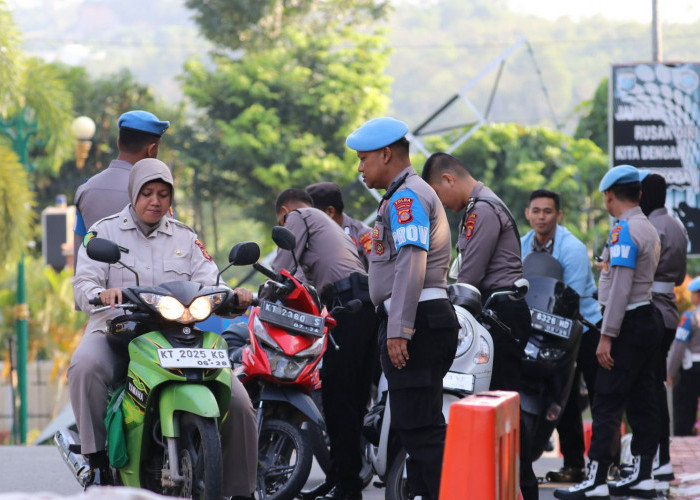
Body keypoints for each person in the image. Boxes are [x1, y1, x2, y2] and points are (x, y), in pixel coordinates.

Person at [69, 159, 258, 499]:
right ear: (133, 194)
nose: (155, 201)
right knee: (85, 365)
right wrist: (101, 293)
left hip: (179, 334)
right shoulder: (105, 232)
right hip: (119, 330)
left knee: (240, 400)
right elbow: (84, 282)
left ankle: (242, 490)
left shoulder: (185, 237)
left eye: (163, 194)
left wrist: (235, 295)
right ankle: (97, 462)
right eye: (147, 193)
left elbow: (210, 278)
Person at [346, 117, 459, 500]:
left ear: (386, 154)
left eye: (363, 159)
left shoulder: (407, 197)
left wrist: (399, 329)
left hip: (417, 322)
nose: (360, 167)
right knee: (420, 424)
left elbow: (413, 260)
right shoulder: (401, 195)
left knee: (418, 428)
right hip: (422, 319)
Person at [420, 152, 538, 500]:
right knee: (500, 406)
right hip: (500, 313)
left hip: (500, 315)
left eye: (438, 197)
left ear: (448, 180)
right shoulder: (482, 205)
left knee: (502, 406)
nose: (440, 206)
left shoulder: (481, 209)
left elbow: (469, 275)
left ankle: (523, 488)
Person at [555, 164, 662, 499]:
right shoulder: (648, 228)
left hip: (627, 321)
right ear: (640, 194)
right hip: (647, 317)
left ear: (609, 195)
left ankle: (597, 478)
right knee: (643, 398)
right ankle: (645, 474)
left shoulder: (623, 231)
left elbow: (620, 289)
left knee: (607, 400)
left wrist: (606, 335)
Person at [272, 188, 378, 500]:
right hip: (363, 305)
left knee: (336, 398)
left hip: (347, 305)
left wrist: (256, 299)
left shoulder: (298, 216)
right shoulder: (330, 226)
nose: (284, 225)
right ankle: (342, 482)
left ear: (285, 211)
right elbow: (304, 284)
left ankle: (346, 488)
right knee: (352, 402)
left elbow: (283, 272)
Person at [521, 189, 603, 484]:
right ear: (528, 214)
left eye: (548, 211)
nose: (541, 216)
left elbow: (573, 296)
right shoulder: (522, 246)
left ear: (559, 215)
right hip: (544, 327)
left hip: (584, 324)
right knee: (561, 392)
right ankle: (574, 465)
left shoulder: (573, 248)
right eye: (536, 211)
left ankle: (606, 465)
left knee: (597, 395)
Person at [73, 110, 169, 272]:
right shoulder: (156, 194)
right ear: (152, 149)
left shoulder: (86, 189)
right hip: (144, 294)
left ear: (118, 142)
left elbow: (80, 246)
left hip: (95, 291)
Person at [639, 170, 688, 482]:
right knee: (656, 385)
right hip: (669, 309)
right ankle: (662, 456)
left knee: (648, 388)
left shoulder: (649, 228)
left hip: (648, 310)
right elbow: (681, 278)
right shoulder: (678, 227)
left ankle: (658, 456)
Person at [305, 182, 373, 271]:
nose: (306, 220)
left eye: (310, 215)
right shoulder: (308, 239)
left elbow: (377, 269)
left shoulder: (362, 234)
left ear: (330, 211)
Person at [667, 277, 700, 436]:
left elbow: (679, 346)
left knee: (685, 410)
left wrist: (670, 372)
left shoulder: (690, 317)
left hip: (692, 370)